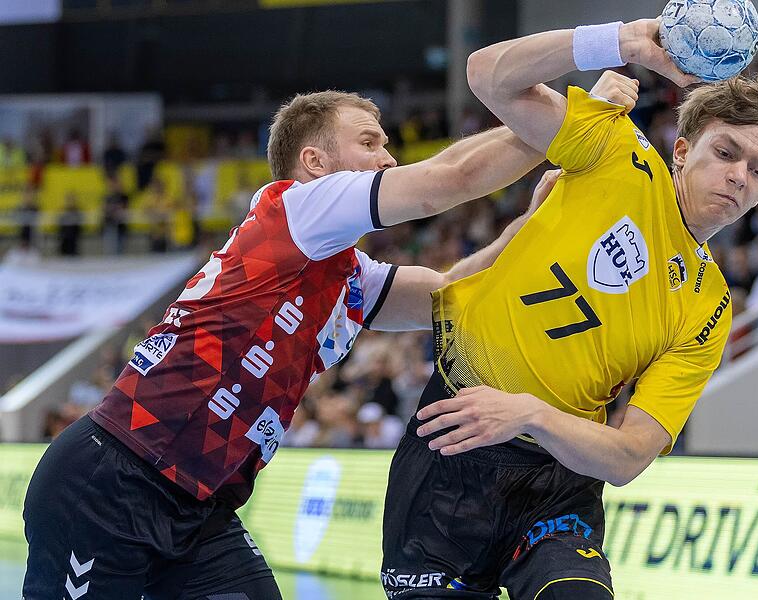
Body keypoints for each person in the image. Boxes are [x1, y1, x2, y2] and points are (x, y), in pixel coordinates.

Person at [22, 74, 637, 600]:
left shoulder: (348, 274)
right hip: (113, 480)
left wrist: (531, 225)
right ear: (315, 163)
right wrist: (571, 117)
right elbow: (449, 177)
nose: (388, 159)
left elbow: (458, 294)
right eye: (370, 142)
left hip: (199, 507)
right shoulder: (298, 206)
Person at [381, 17, 758, 600]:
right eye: (725, 152)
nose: (739, 177)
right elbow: (487, 76)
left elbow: (629, 456)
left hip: (558, 485)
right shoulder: (615, 151)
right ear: (681, 149)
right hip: (453, 443)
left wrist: (530, 415)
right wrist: (623, 42)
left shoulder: (709, 307)